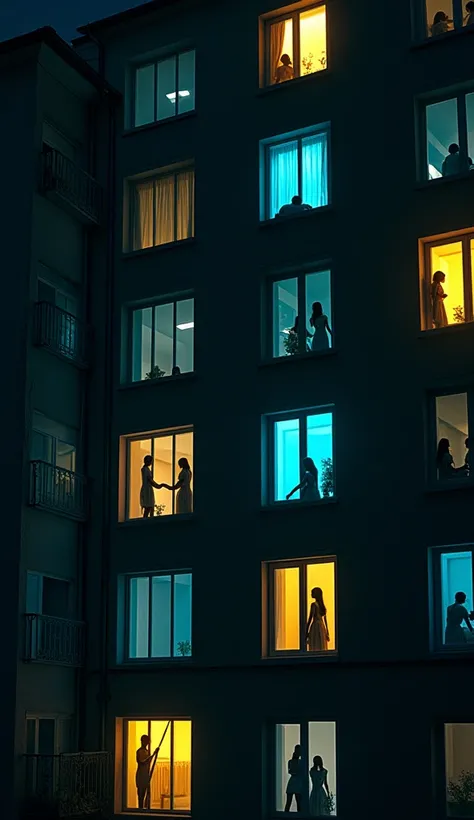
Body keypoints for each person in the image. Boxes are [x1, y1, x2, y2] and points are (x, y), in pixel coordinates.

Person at [136, 735, 157, 809]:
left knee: (145, 794)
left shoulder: (146, 751)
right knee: (141, 795)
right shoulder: (139, 751)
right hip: (141, 775)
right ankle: (140, 810)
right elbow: (142, 762)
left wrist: (154, 754)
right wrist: (154, 754)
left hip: (145, 775)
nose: (147, 743)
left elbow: (148, 761)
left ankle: (143, 809)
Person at [306, 587, 330, 652]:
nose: (311, 594)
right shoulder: (322, 606)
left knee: (315, 643)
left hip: (315, 627)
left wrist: (306, 630)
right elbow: (325, 621)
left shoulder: (314, 605)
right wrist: (327, 632)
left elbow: (310, 618)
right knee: (320, 644)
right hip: (322, 627)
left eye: (312, 593)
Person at [285, 745, 305, 812]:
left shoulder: (301, 761)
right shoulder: (291, 761)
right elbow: (290, 771)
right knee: (289, 802)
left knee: (298, 802)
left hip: (297, 782)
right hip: (293, 781)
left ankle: (298, 816)